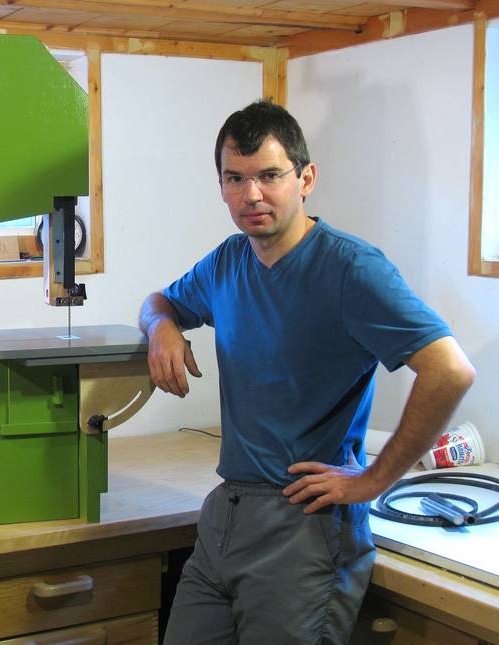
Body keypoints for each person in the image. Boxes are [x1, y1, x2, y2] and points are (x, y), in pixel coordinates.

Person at [139, 100, 475, 644]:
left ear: (306, 178)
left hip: (303, 524)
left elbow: (450, 370)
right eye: (235, 178)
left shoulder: (351, 269)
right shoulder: (228, 261)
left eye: (270, 175)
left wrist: (373, 480)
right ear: (221, 186)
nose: (252, 194)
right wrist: (161, 326)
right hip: (227, 511)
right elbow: (160, 301)